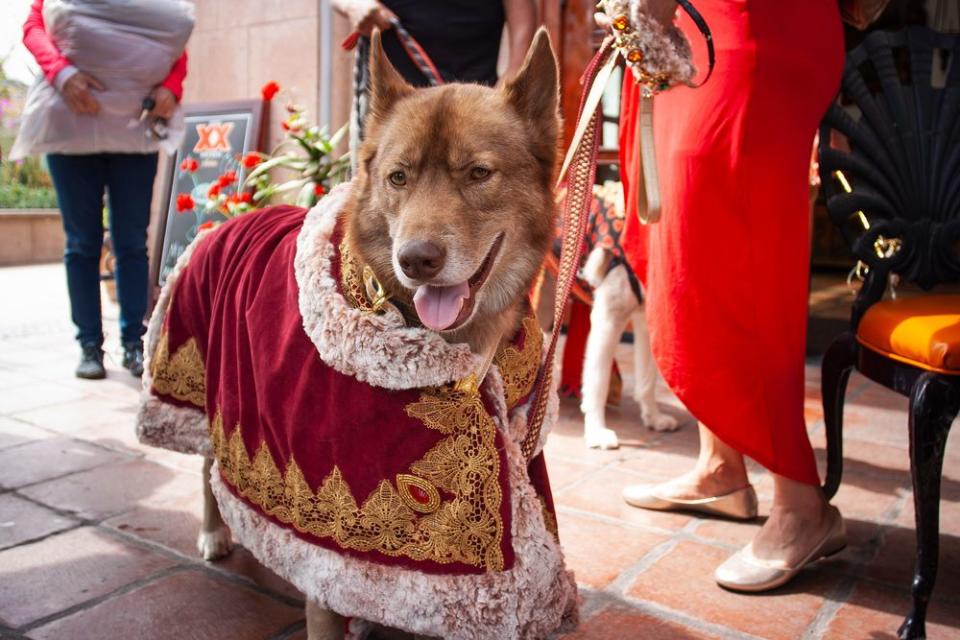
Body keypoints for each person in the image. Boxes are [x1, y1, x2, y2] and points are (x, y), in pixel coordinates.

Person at [615, 0, 847, 591]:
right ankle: (720, 469)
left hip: (751, 27)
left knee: (736, 265)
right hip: (699, 26)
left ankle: (802, 505)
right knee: (690, 246)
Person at [20, 0, 191, 380]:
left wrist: (172, 87)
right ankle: (89, 345)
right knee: (82, 243)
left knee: (131, 243)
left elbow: (173, 40)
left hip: (134, 131)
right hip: (70, 130)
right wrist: (62, 73)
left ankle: (134, 342)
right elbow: (34, 25)